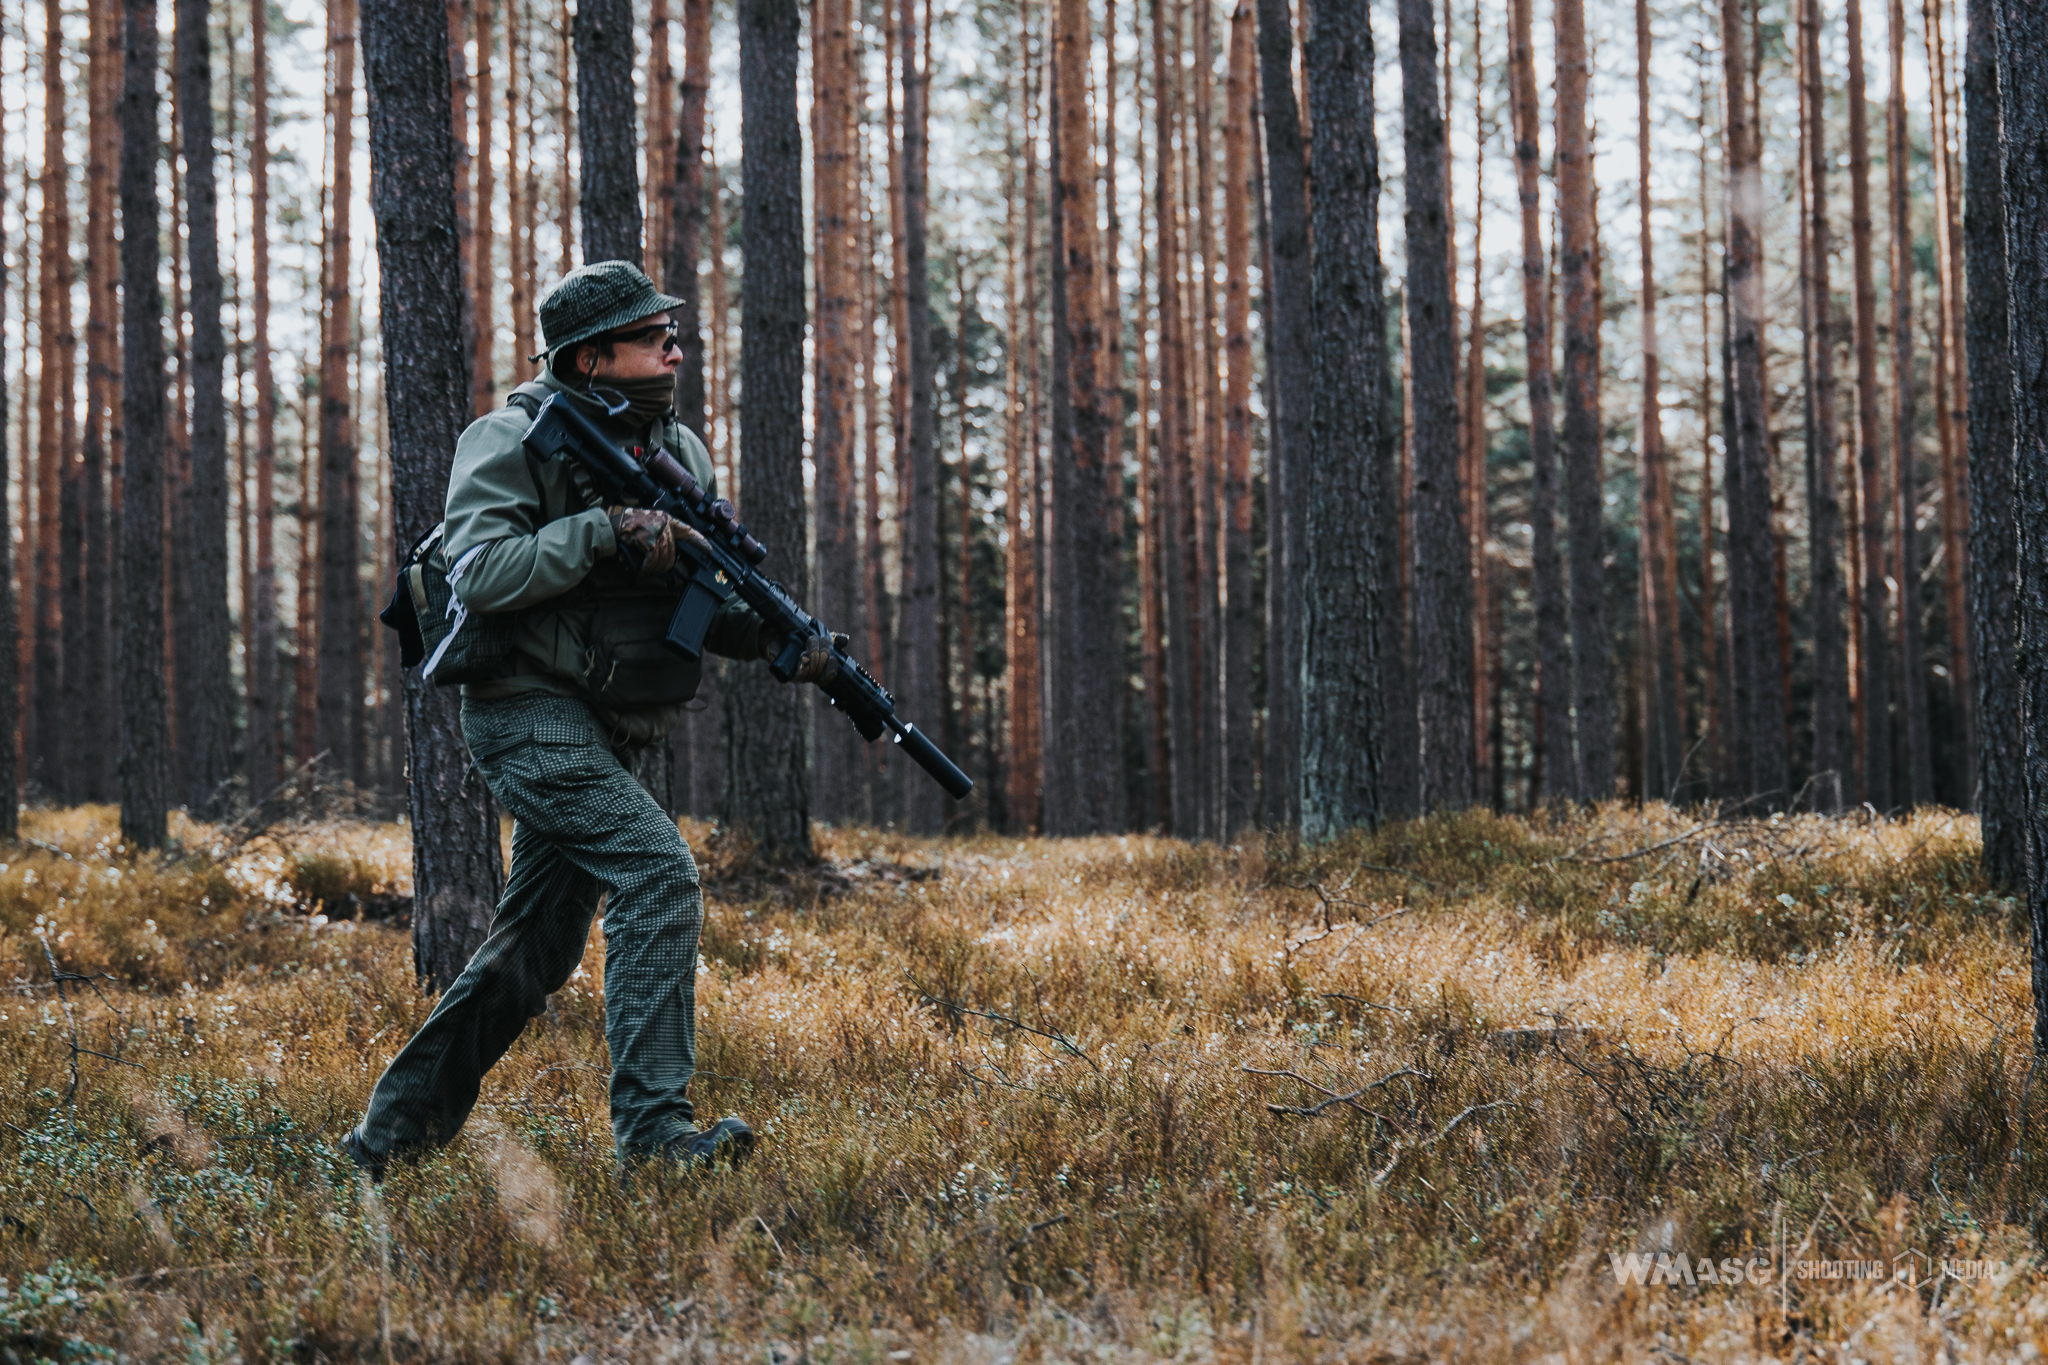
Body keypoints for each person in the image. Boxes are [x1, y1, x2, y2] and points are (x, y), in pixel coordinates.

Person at [343, 261, 791, 1181]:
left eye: (671, 332)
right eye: (651, 336)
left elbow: (698, 604)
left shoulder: (682, 452)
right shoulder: (507, 439)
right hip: (523, 713)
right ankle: (658, 1142)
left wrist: (789, 640)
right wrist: (606, 530)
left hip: (609, 729)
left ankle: (382, 1147)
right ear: (591, 358)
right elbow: (483, 573)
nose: (675, 346)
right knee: (660, 875)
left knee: (531, 953)